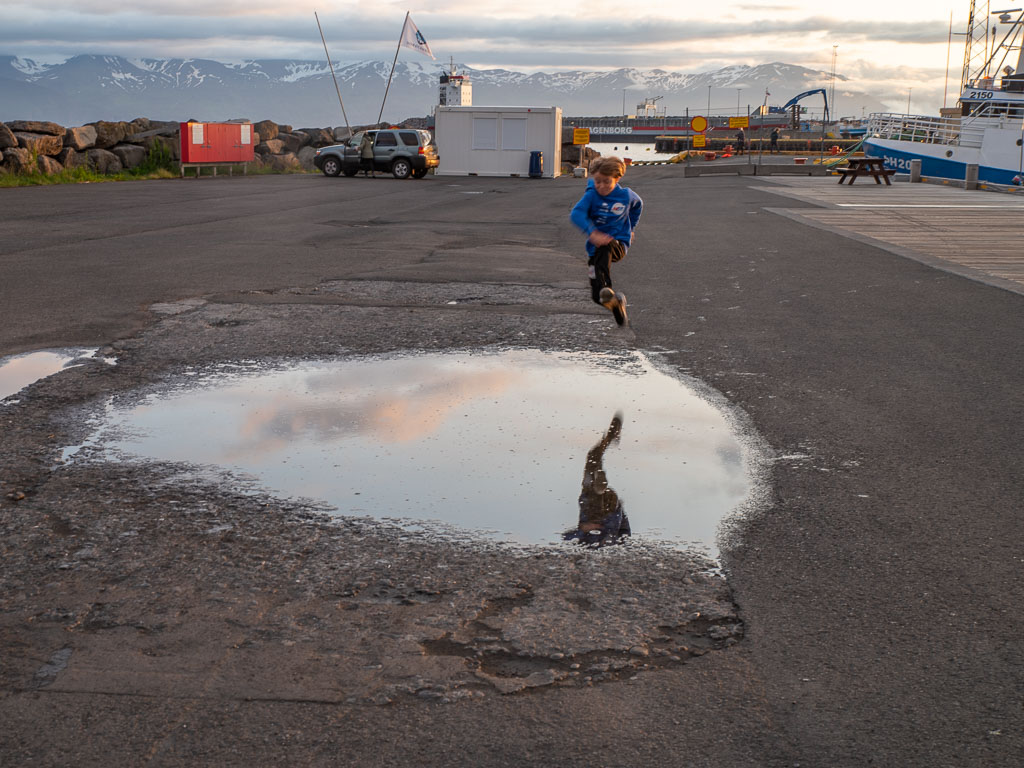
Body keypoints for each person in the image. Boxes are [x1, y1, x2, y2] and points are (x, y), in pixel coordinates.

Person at [569, 156, 643, 326]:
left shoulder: (626, 195)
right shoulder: (592, 196)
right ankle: (617, 304)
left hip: (618, 245)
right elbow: (576, 214)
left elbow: (638, 206)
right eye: (597, 181)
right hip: (595, 248)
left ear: (617, 178)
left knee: (606, 245)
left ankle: (606, 287)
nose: (601, 186)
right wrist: (592, 232)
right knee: (597, 297)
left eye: (606, 182)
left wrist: (631, 228)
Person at [563, 412, 631, 547]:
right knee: (594, 467)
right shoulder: (608, 542)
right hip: (607, 509)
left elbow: (566, 536)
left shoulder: (583, 543)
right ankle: (600, 487)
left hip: (587, 497)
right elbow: (624, 533)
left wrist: (583, 528)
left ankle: (610, 437)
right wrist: (618, 513)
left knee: (592, 456)